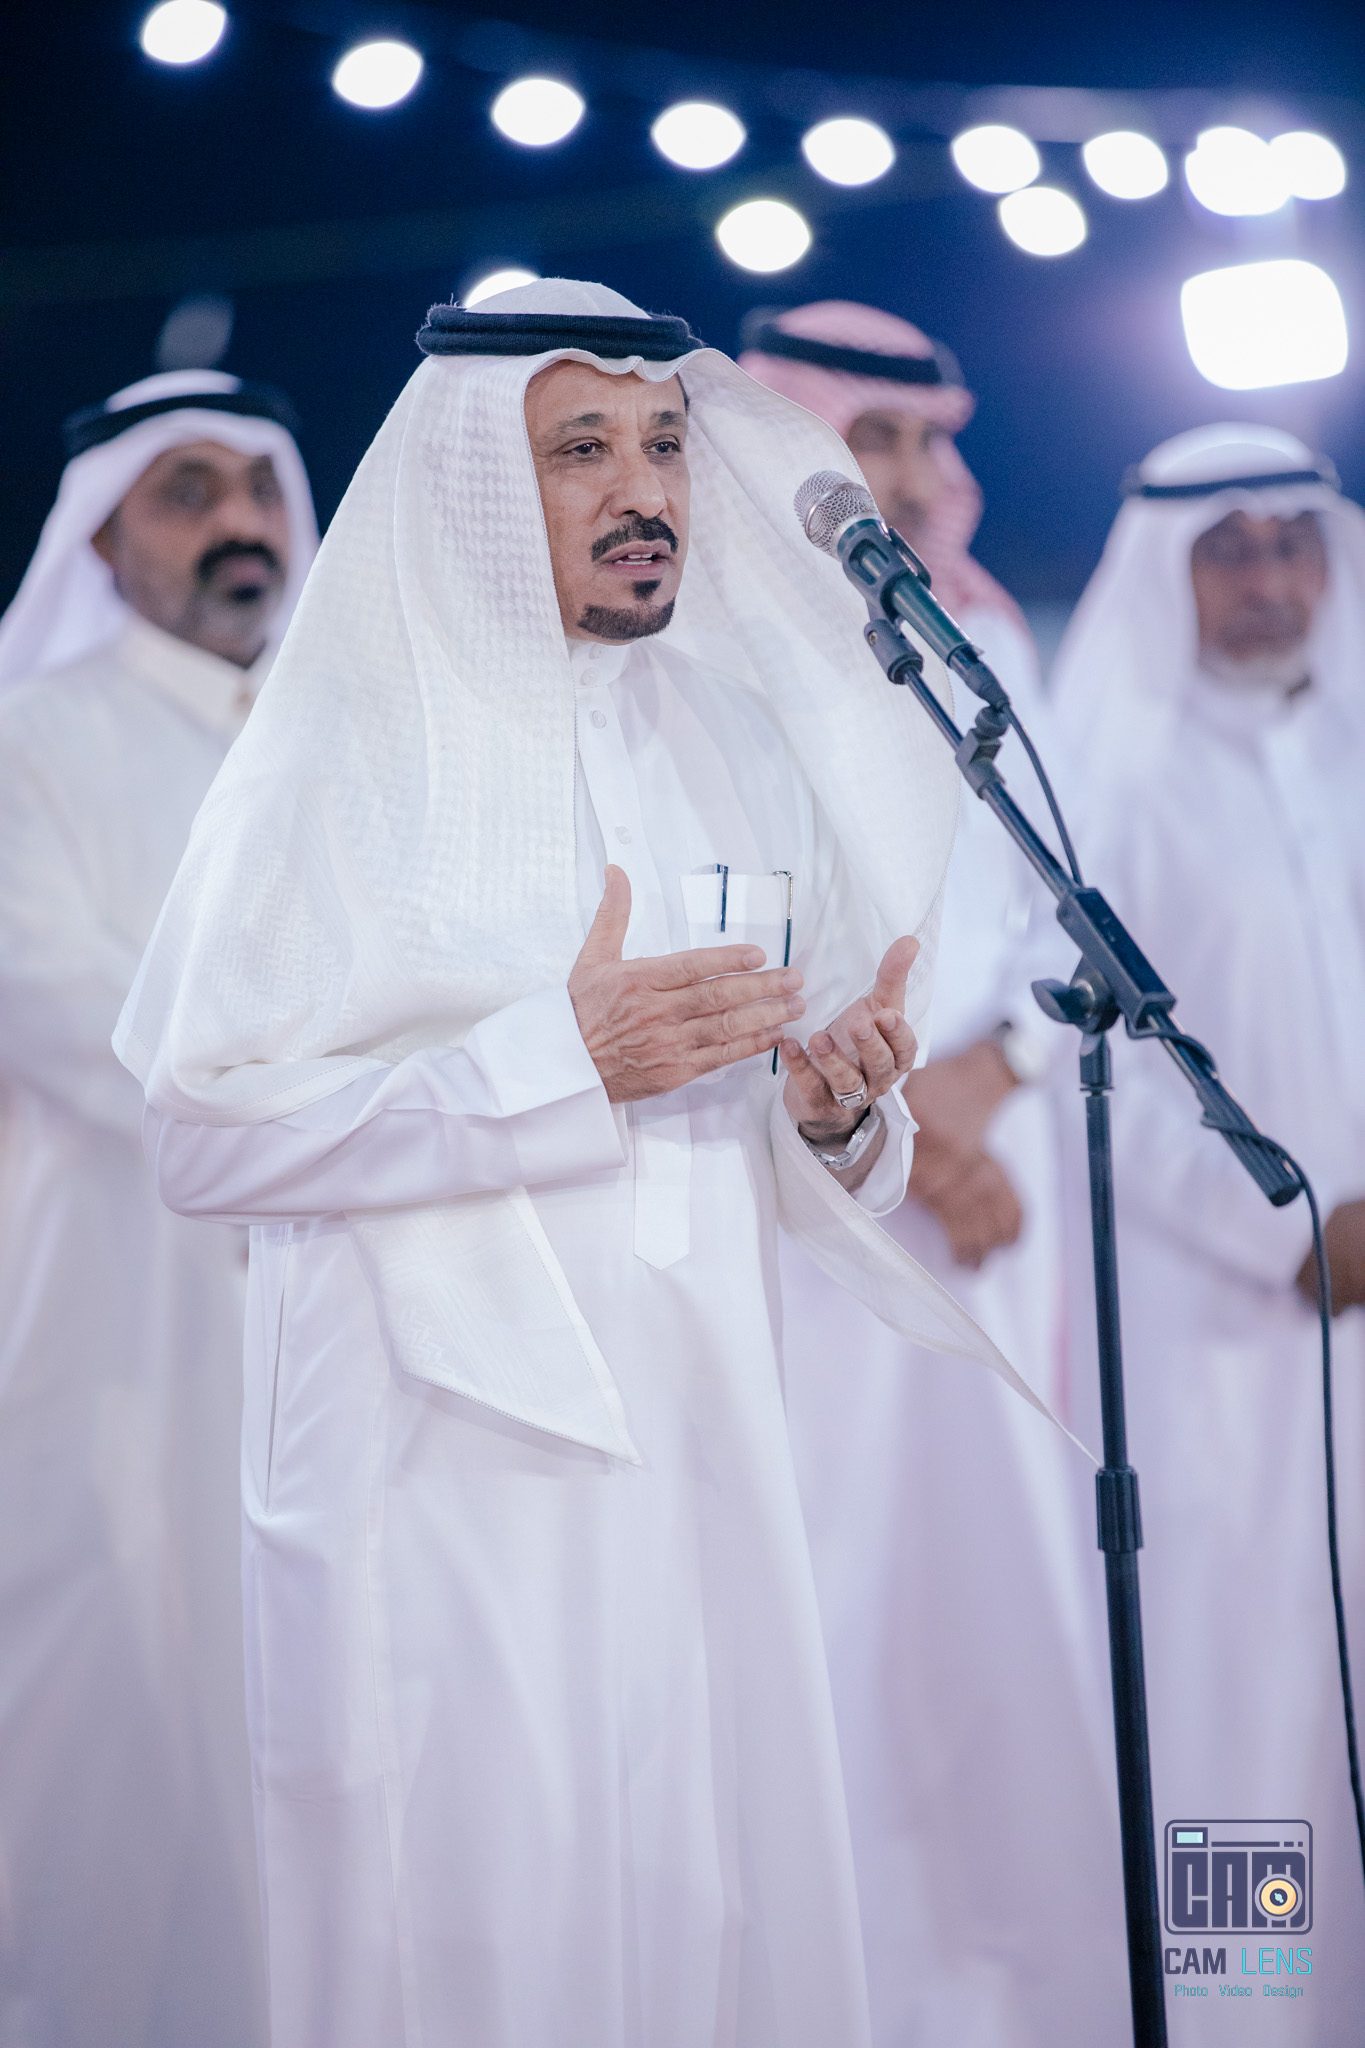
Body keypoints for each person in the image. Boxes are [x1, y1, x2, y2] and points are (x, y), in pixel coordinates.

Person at [111, 278, 1058, 2048]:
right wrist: (558, 1064)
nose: (645, 491)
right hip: (438, 1463)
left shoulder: (724, 733)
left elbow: (763, 1119)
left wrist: (835, 1116)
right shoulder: (342, 749)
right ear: (479, 484)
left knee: (708, 1917)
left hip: (708, 1433)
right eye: (581, 451)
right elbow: (199, 1134)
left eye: (666, 445)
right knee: (481, 1943)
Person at [740, 302, 1124, 2043]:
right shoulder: (716, 635)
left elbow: (1068, 906)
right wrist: (898, 1119)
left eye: (921, 443)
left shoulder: (981, 640)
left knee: (991, 1617)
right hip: (800, 1201)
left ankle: (1005, 1998)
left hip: (987, 1188)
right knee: (819, 1603)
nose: (904, 480)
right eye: (866, 441)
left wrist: (987, 1081)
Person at [0, 368, 317, 2048]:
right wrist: (322, 1127)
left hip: (335, 1296)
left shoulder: (338, 742)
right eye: (188, 494)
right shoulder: (32, 734)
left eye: (257, 489)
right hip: (119, 1300)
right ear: (100, 535)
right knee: (116, 1699)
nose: (240, 526)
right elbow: (52, 998)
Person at [1051, 423, 1365, 2044]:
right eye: (1225, 551)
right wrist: (1289, 1229)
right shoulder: (1111, 778)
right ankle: (1244, 2014)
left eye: (1290, 543)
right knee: (1236, 1694)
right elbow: (1083, 1071)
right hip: (1219, 1328)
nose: (1266, 581)